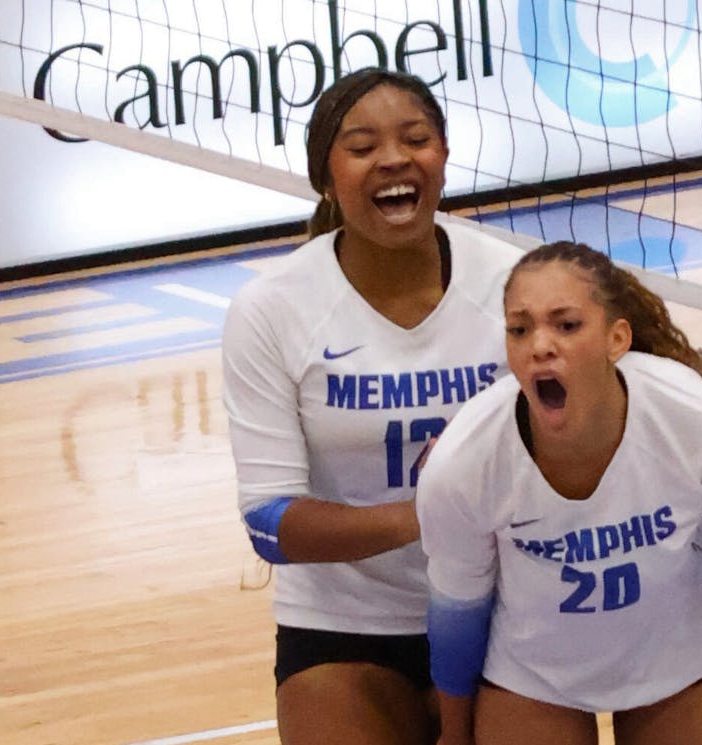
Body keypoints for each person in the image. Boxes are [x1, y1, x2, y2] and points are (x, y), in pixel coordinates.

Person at [221, 67, 524, 745]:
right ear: (326, 176)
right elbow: (270, 525)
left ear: (442, 156)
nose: (393, 158)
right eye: (362, 147)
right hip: (344, 627)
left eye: (415, 138)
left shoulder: (513, 282)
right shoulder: (272, 309)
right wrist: (426, 512)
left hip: (507, 608)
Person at [416, 241, 702, 745]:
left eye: (566, 325)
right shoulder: (464, 460)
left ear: (617, 338)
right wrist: (454, 738)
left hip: (679, 661)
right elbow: (458, 611)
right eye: (520, 329)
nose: (540, 344)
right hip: (533, 677)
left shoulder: (697, 420)